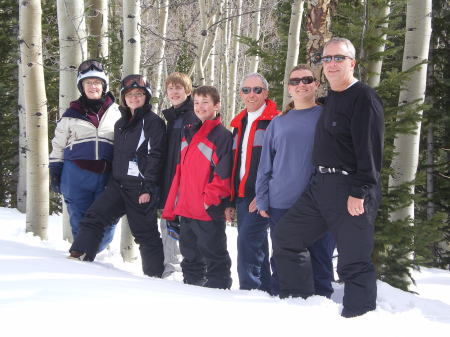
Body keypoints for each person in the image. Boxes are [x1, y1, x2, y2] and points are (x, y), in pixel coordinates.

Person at [272, 37, 384, 318]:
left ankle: (359, 319)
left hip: (351, 189)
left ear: (352, 63)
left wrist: (360, 191)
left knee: (353, 261)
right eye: (327, 58)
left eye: (339, 58)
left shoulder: (364, 98)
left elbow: (370, 150)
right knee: (286, 236)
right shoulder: (330, 99)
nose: (332, 64)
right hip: (320, 186)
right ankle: (299, 304)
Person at [68, 75, 166, 278]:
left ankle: (155, 277)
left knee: (145, 235)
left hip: (140, 189)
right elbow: (118, 156)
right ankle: (79, 258)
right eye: (129, 94)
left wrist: (149, 188)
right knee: (94, 217)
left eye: (139, 94)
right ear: (123, 97)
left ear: (146, 97)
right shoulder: (120, 124)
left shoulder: (154, 123)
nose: (134, 98)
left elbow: (156, 157)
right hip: (118, 185)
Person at [255, 65, 336, 298]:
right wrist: (262, 199)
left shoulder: (326, 117)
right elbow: (265, 165)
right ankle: (282, 301)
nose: (301, 84)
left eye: (307, 79)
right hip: (281, 201)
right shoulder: (278, 122)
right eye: (295, 81)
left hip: (319, 202)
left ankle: (320, 303)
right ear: (289, 88)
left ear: (316, 84)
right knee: (282, 259)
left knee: (320, 257)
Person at [163, 85, 232, 289]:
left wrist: (208, 201)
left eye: (205, 102)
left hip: (207, 210)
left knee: (214, 256)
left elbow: (223, 174)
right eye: (196, 103)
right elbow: (180, 172)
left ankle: (218, 294)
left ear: (216, 105)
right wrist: (175, 201)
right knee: (190, 257)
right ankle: (192, 293)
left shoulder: (222, 136)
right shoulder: (188, 133)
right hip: (186, 208)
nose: (200, 107)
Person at [49, 59, 120, 252]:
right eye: (88, 83)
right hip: (76, 174)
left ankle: (93, 254)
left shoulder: (117, 113)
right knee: (79, 221)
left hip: (106, 174)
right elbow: (58, 144)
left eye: (97, 82)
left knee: (107, 220)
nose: (93, 86)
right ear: (82, 86)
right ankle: (81, 258)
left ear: (103, 86)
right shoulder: (71, 113)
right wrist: (55, 169)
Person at [226, 73, 279, 293]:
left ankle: (251, 291)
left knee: (247, 243)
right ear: (240, 94)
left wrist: (263, 195)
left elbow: (279, 163)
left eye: (257, 90)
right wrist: (229, 201)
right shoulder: (239, 123)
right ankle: (265, 290)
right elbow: (234, 165)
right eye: (246, 90)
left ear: (265, 93)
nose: (251, 94)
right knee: (256, 246)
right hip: (242, 195)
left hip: (261, 196)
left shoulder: (275, 120)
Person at [159, 72, 199, 277]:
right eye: (171, 88)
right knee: (168, 224)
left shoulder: (192, 116)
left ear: (188, 91)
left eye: (179, 88)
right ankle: (172, 268)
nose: (174, 92)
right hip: (170, 181)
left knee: (180, 226)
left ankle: (181, 271)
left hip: (185, 184)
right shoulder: (173, 118)